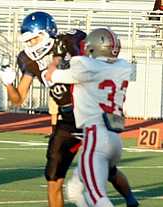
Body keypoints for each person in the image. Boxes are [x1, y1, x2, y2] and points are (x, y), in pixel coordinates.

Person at [0, 11, 138, 207]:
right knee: (53, 179)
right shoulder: (26, 59)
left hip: (91, 114)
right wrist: (7, 84)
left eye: (35, 38)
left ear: (48, 32)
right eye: (28, 41)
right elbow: (19, 98)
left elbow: (97, 59)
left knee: (107, 170)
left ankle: (131, 199)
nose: (31, 44)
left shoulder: (70, 40)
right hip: (66, 120)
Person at [45, 28, 138, 207]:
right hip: (115, 138)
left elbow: (51, 76)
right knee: (74, 189)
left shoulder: (85, 65)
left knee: (96, 197)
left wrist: (57, 57)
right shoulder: (123, 66)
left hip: (96, 136)